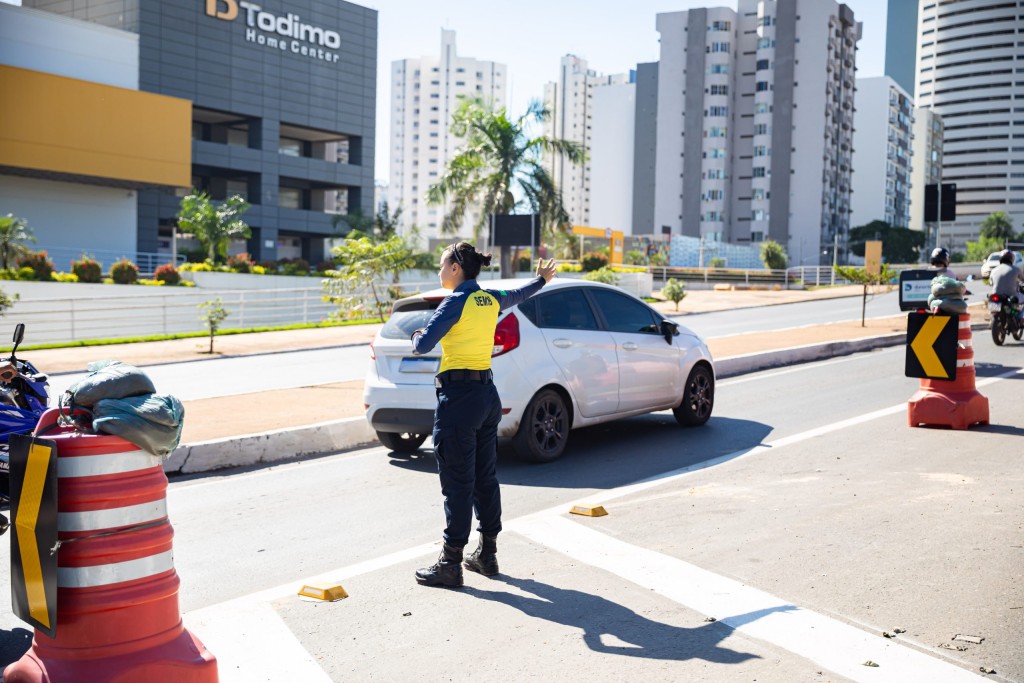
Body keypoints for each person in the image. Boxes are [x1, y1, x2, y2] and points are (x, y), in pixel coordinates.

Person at [411, 242, 556, 587]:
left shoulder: (455, 302)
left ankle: (450, 563)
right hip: (487, 397)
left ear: (456, 268)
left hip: (459, 400)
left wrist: (416, 333)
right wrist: (541, 280)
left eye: (443, 265)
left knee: (457, 482)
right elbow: (519, 294)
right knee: (485, 477)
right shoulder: (488, 299)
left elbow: (423, 345)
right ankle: (487, 554)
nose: (440, 271)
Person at [989, 249, 1024, 318]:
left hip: (996, 295)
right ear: (1012, 259)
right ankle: (1019, 318)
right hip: (1012, 295)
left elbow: (991, 283)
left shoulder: (994, 270)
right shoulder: (1016, 269)